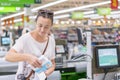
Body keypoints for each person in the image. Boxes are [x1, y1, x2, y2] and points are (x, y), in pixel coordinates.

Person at [5, 9, 56, 80]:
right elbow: (8, 56)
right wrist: (27, 57)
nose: (42, 30)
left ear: (51, 26)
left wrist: (47, 72)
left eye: (46, 27)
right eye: (40, 25)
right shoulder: (25, 39)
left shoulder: (51, 41)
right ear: (36, 23)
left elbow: (52, 63)